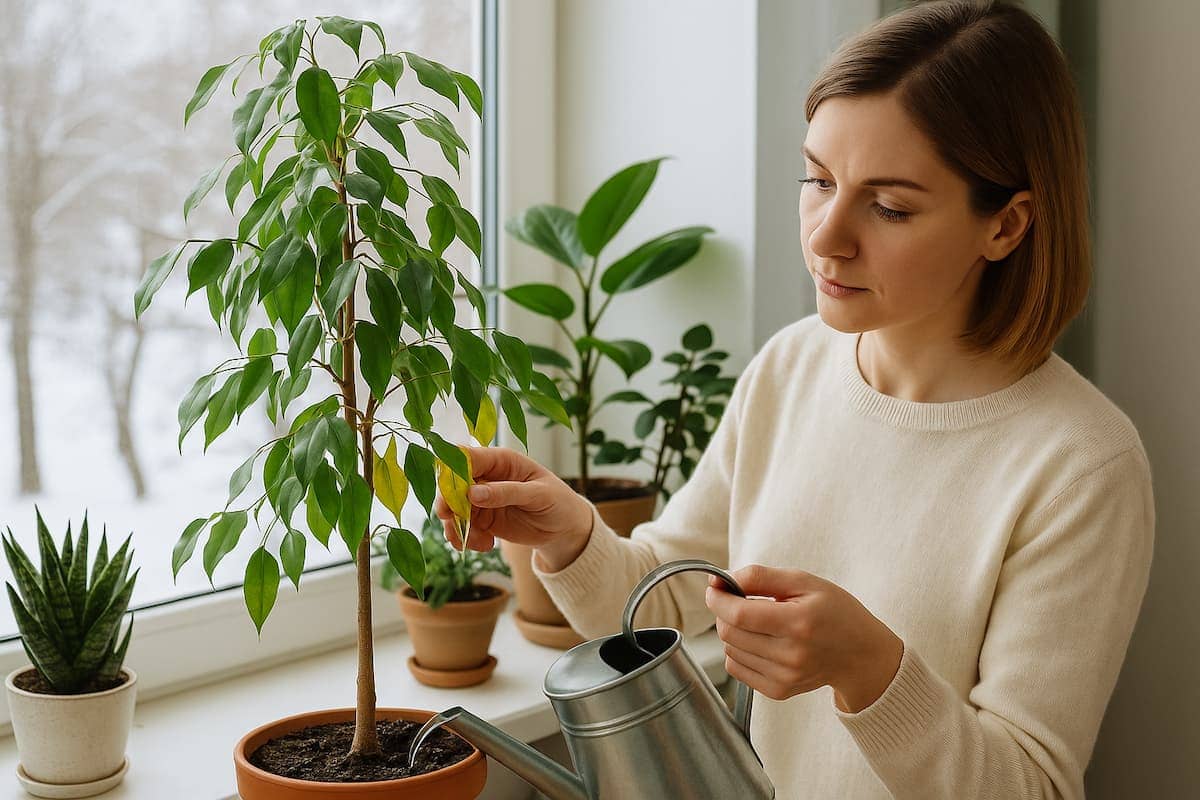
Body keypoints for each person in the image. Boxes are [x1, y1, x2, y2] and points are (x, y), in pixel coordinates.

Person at [435, 2, 1154, 797]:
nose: (825, 237)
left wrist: (870, 669)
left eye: (889, 206)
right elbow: (668, 596)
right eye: (818, 180)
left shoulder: (1082, 465)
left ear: (1007, 226)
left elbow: (1031, 786)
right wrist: (569, 534)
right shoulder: (791, 366)